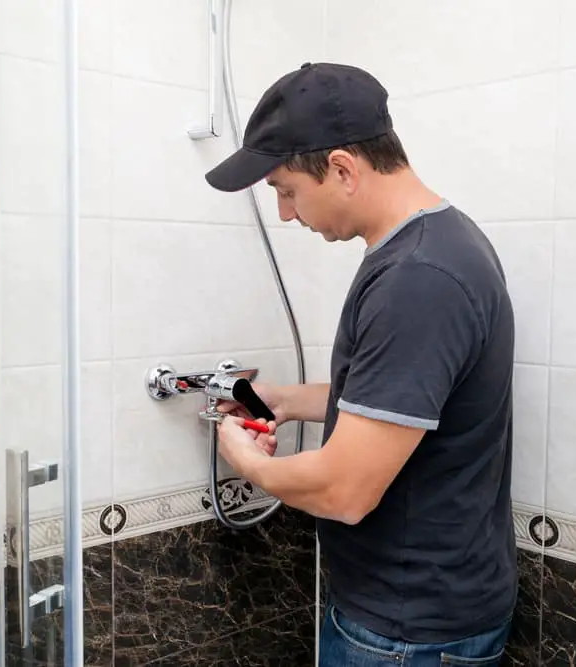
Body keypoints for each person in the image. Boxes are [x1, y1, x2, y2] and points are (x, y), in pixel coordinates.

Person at [204, 62, 518, 666]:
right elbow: (400, 401)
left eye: (287, 191)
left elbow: (346, 490)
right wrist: (276, 400)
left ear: (343, 169)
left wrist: (247, 463)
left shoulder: (417, 279)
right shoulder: (441, 243)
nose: (287, 215)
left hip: (407, 632)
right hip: (422, 613)